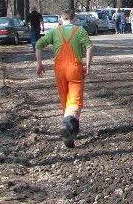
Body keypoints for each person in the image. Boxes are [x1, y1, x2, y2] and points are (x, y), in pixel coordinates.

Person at [35, 9, 93, 148]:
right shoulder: (80, 31)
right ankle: (67, 125)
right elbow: (89, 47)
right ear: (74, 18)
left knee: (65, 100)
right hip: (74, 69)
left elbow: (38, 45)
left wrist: (40, 64)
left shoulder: (55, 31)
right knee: (75, 101)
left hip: (59, 69)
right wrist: (88, 65)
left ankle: (72, 131)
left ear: (61, 19)